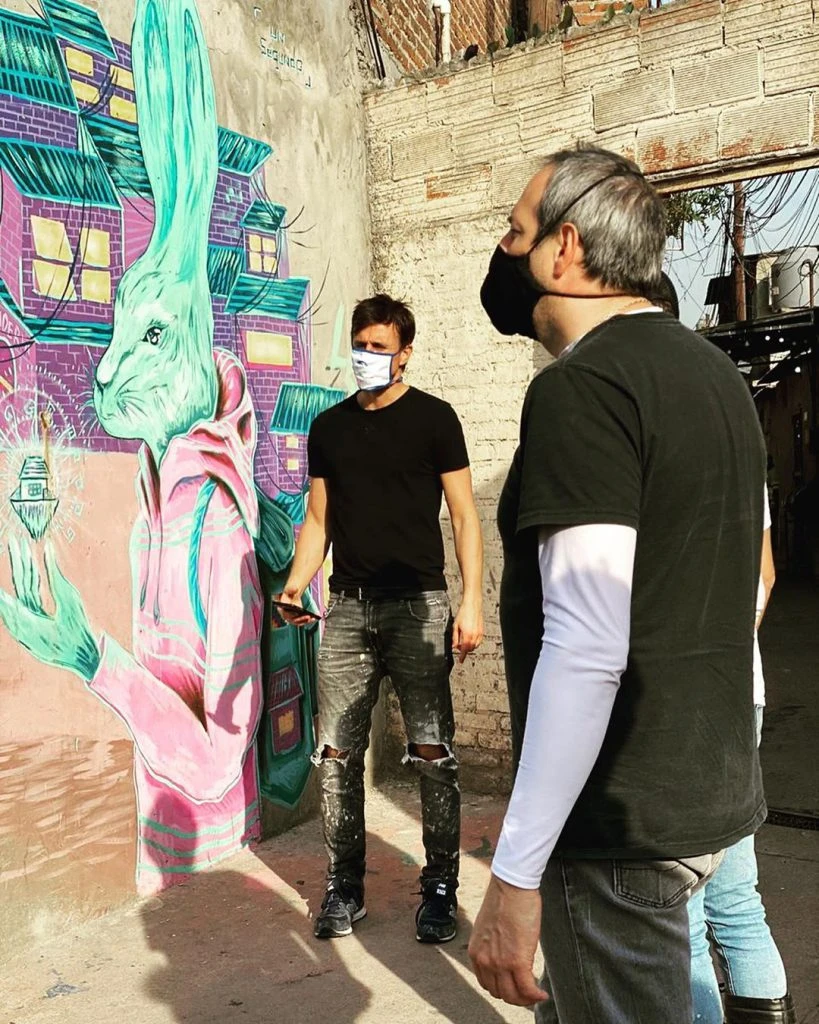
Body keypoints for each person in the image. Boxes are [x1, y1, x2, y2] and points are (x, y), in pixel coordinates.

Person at [467, 146, 767, 1024]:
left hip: (618, 819)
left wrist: (514, 874)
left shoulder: (583, 388)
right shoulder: (713, 374)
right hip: (704, 789)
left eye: (514, 232)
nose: (503, 250)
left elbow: (586, 646)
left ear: (563, 249)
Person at [278, 294, 484, 944]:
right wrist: (296, 583)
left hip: (418, 607)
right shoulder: (329, 428)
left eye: (379, 347)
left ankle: (440, 889)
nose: (366, 357)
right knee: (336, 755)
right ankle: (344, 888)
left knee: (431, 753)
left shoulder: (434, 419)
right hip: (347, 609)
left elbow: (464, 516)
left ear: (404, 354)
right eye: (359, 345)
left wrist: (471, 601)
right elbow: (318, 519)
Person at [648, 279, 796, 1024]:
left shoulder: (640, 426)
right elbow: (762, 575)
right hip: (740, 690)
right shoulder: (732, 423)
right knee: (735, 894)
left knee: (678, 905)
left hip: (678, 705)